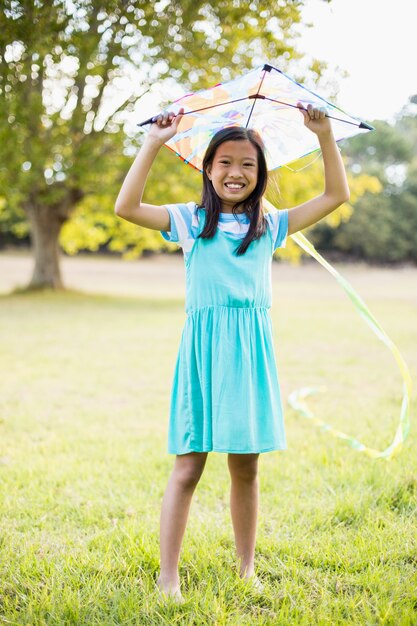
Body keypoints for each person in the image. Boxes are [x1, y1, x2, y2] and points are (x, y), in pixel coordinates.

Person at [115, 103, 349, 602]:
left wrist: (324, 135)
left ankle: (246, 569)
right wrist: (153, 142)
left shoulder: (270, 227)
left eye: (247, 164)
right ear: (207, 168)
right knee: (188, 467)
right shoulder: (188, 220)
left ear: (261, 173)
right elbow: (126, 208)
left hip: (248, 357)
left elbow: (336, 194)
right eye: (225, 162)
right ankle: (168, 577)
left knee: (246, 467)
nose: (236, 172)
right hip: (202, 355)